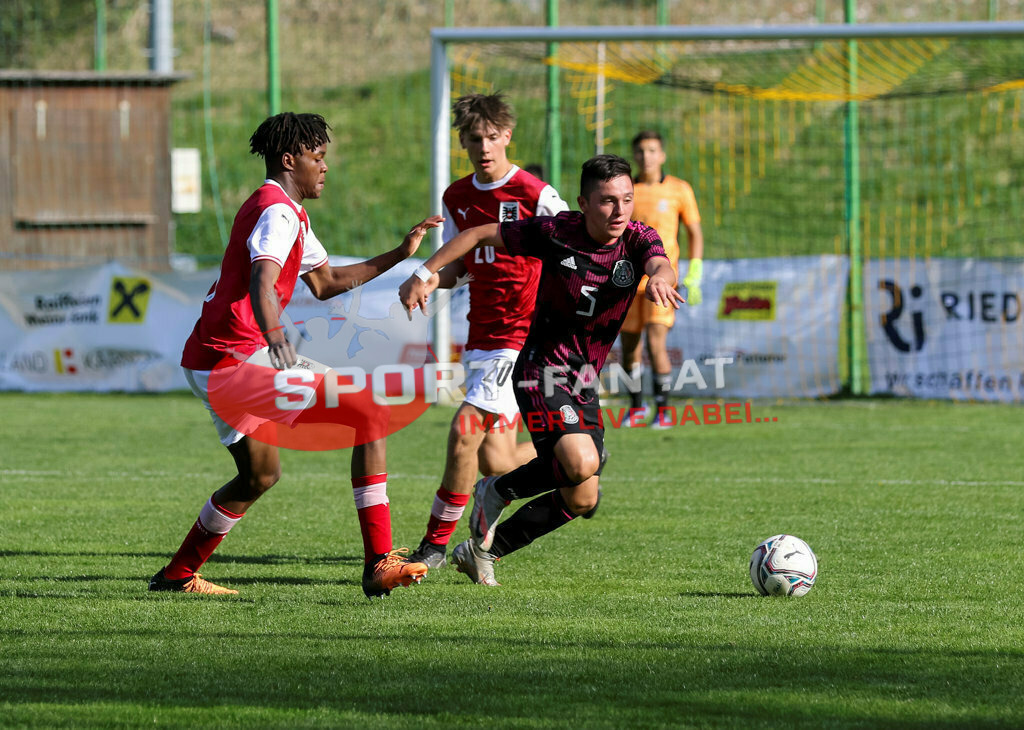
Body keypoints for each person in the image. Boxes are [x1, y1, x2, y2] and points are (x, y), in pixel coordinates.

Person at [148, 112, 440, 599]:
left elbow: (327, 283)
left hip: (210, 359)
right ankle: (379, 561)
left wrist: (399, 253)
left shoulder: (287, 212)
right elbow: (263, 279)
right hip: (234, 359)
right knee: (370, 410)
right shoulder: (277, 211)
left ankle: (177, 575)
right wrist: (276, 333)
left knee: (260, 474)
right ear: (290, 160)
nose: (324, 167)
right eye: (317, 157)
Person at [400, 154, 683, 585]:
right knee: (581, 460)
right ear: (583, 203)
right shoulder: (556, 232)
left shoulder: (638, 238)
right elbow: (478, 234)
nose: (620, 210)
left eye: (626, 199)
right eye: (607, 201)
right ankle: (494, 491)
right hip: (541, 368)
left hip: (584, 380)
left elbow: (661, 262)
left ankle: (483, 550)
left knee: (583, 494)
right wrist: (424, 272)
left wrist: (663, 276)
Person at [405, 93, 569, 570]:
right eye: (475, 139)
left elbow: (570, 249)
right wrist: (431, 280)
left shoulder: (536, 194)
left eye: (493, 137)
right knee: (495, 459)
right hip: (481, 337)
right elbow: (460, 269)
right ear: (463, 141)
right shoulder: (457, 197)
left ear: (507, 137)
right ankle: (568, 463)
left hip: (522, 337)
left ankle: (434, 546)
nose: (484, 147)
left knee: (464, 431)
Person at [619, 130, 704, 429]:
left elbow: (694, 232)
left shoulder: (679, 189)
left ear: (662, 155)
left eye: (652, 151)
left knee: (656, 344)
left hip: (662, 282)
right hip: (628, 280)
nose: (646, 157)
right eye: (641, 151)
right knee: (629, 348)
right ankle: (636, 408)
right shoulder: (627, 190)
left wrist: (695, 272)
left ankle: (664, 410)